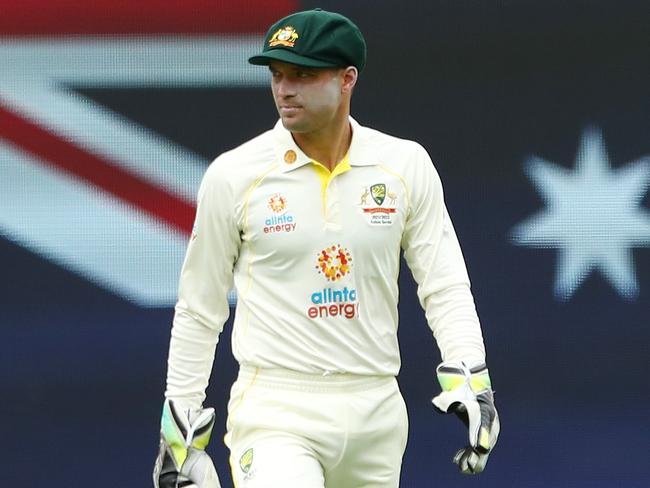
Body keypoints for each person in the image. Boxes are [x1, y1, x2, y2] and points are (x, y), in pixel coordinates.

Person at [153, 8, 500, 488]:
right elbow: (200, 308)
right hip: (276, 407)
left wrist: (470, 375)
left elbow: (443, 283)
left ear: (347, 79)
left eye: (303, 74)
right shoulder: (235, 176)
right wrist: (179, 434)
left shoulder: (404, 165)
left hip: (375, 410)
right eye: (277, 74)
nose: (284, 89)